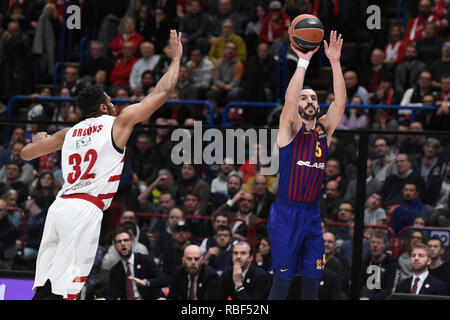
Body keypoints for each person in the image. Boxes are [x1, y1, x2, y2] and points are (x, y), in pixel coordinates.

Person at [19, 30, 182, 300]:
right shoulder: (119, 122)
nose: (114, 103)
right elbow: (163, 91)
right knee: (67, 290)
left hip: (59, 207)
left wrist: (38, 139)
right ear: (104, 108)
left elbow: (26, 154)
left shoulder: (67, 133)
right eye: (110, 100)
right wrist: (175, 59)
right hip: (84, 209)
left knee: (47, 284)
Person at [266, 31, 345, 300]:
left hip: (312, 215)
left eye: (313, 97)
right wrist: (302, 61)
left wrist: (334, 61)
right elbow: (289, 100)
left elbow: (341, 103)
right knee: (283, 281)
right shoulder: (289, 129)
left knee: (314, 278)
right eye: (304, 97)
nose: (309, 100)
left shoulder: (324, 129)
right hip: (286, 215)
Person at [105, 227, 168, 300]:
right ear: (115, 246)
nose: (123, 244)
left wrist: (146, 282)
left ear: (132, 243)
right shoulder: (115, 270)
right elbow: (112, 295)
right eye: (119, 241)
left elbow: (163, 280)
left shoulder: (145, 259)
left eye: (126, 240)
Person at [360, 231, 398, 300]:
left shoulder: (392, 264)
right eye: (373, 242)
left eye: (379, 243)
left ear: (385, 246)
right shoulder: (365, 261)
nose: (375, 245)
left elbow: (388, 290)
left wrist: (370, 299)